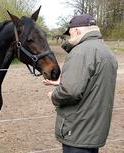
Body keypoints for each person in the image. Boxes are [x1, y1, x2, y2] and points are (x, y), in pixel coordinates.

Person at [43, 14, 118, 153]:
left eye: (70, 33)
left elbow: (70, 92)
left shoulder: (80, 52)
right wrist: (63, 81)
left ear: (77, 31)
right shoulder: (107, 51)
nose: (69, 37)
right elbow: (94, 84)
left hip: (77, 130)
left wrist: (54, 95)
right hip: (94, 130)